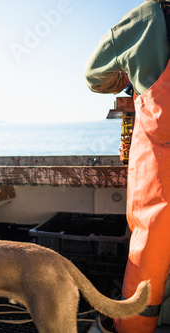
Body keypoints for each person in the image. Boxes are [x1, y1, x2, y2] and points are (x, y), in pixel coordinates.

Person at [85, 1, 170, 332]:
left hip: (160, 159)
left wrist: (128, 77)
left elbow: (93, 75)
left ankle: (133, 326)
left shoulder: (151, 15)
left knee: (151, 245)